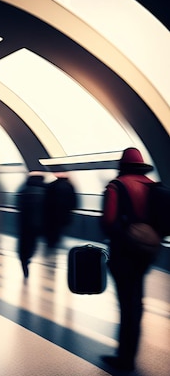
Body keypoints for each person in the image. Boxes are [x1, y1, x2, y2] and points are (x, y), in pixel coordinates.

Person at [100, 147, 157, 372]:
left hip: (123, 251)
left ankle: (125, 358)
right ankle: (130, 353)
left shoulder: (116, 186)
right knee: (136, 300)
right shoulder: (152, 187)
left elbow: (108, 221)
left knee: (126, 304)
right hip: (147, 250)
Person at [16, 172, 46, 278]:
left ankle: (24, 260)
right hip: (38, 223)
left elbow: (18, 205)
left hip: (24, 223)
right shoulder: (45, 191)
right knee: (33, 243)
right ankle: (28, 257)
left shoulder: (24, 190)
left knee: (24, 244)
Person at [43, 173, 77, 249]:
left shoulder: (51, 185)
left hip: (51, 213)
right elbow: (73, 200)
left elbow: (46, 200)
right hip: (63, 213)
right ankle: (55, 242)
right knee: (59, 228)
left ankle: (51, 243)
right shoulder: (69, 186)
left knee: (52, 228)